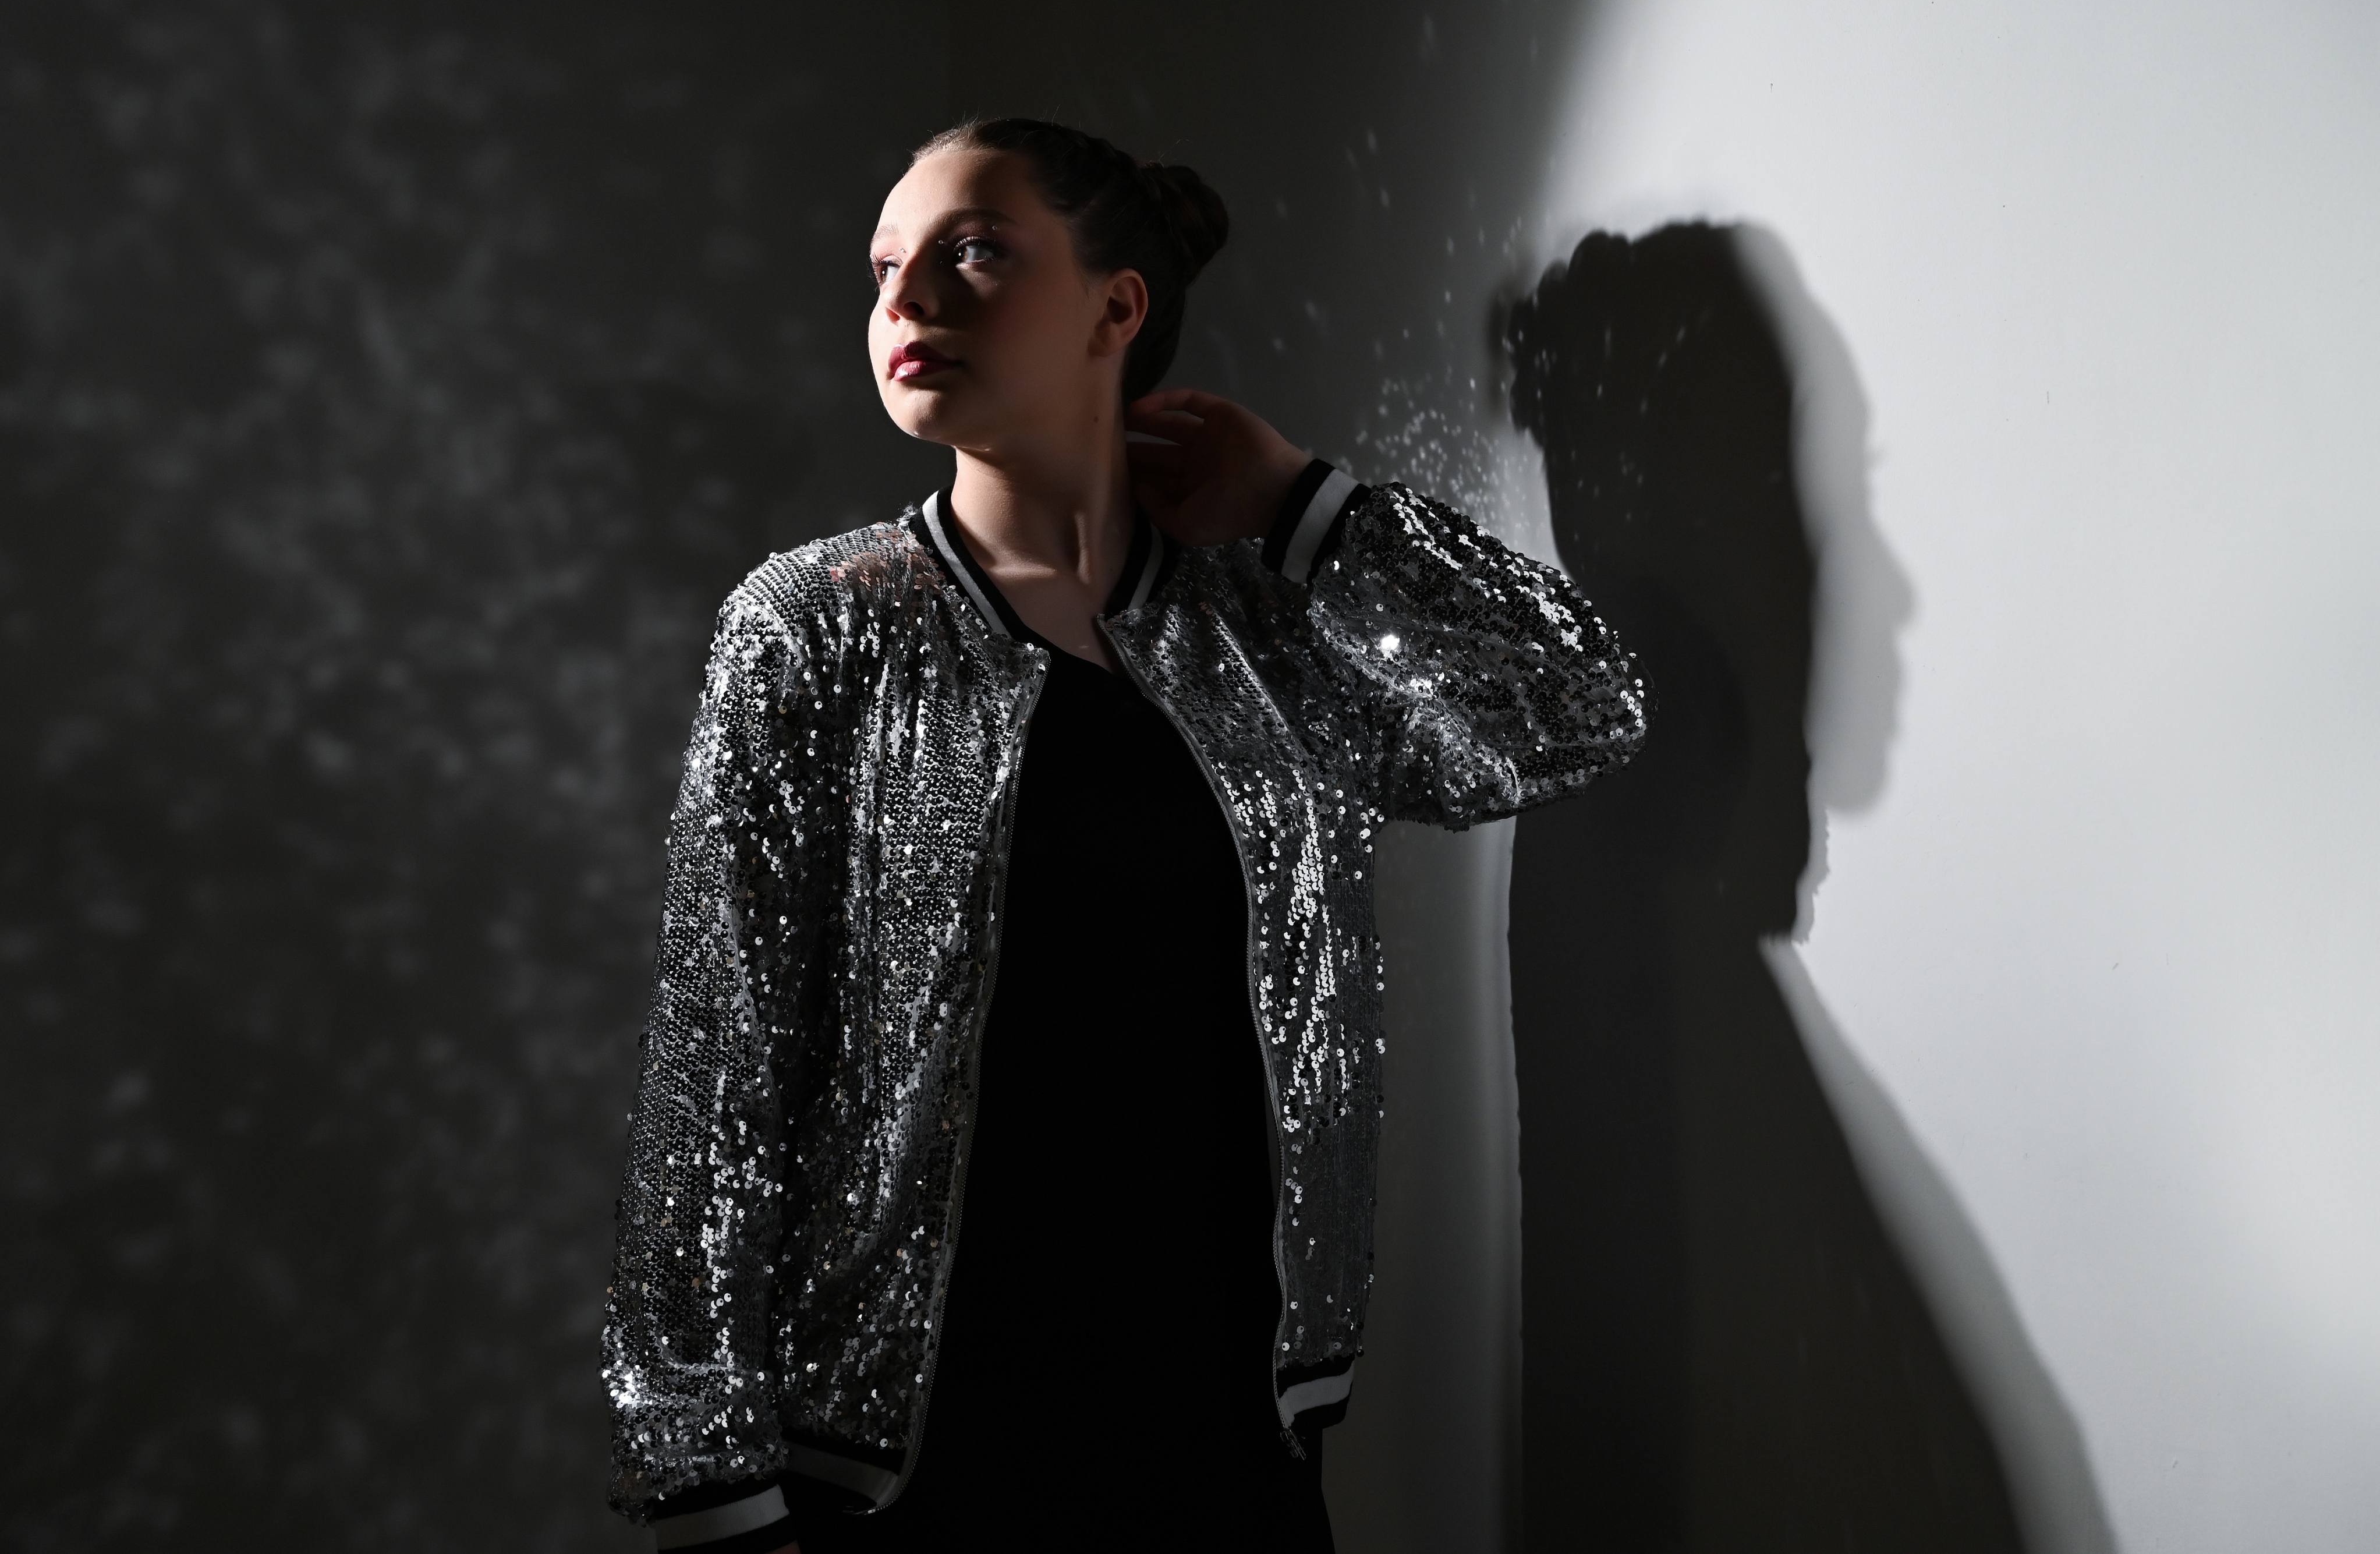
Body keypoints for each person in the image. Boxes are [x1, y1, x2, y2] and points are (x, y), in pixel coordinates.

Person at [600, 117, 1648, 1553]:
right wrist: (708, 1489)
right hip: (910, 1452)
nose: (908, 301)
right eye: (886, 267)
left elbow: (1573, 717)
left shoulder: (1267, 627)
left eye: (975, 252)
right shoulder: (819, 625)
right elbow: (718, 1065)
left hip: (1224, 1429)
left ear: (1117, 308)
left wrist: (1308, 509)